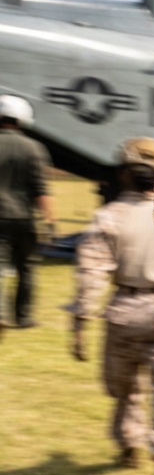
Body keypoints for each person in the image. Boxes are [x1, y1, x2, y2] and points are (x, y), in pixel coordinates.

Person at [73, 137, 154, 475]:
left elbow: (92, 271)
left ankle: (128, 441)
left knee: (123, 385)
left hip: (125, 313)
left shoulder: (109, 216)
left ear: (124, 175)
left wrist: (81, 320)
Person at [0, 94, 55, 329]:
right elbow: (40, 189)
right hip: (24, 218)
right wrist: (50, 219)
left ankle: (1, 314)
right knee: (26, 268)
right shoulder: (35, 148)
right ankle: (23, 317)